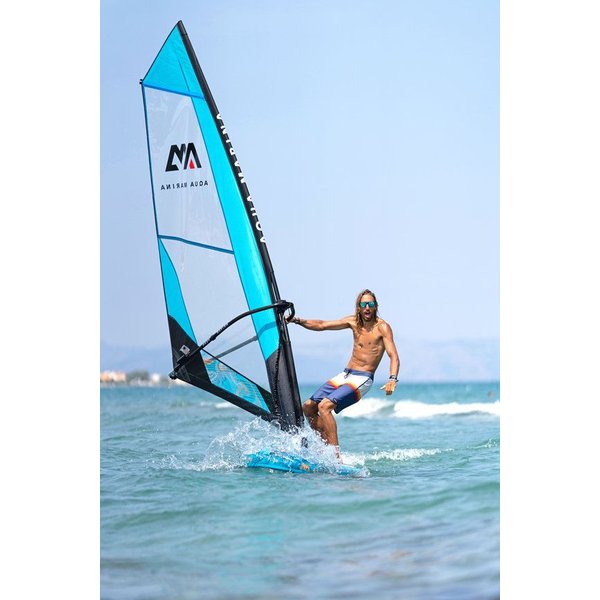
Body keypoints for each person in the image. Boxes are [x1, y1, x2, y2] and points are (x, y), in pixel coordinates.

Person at [287, 289, 400, 459]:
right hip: (346, 375)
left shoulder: (382, 327)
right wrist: (296, 320)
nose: (367, 307)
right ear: (359, 307)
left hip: (363, 378)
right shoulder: (353, 322)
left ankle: (335, 457)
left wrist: (392, 378)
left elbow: (394, 356)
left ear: (376, 306)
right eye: (364, 304)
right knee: (308, 406)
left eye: (371, 304)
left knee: (325, 406)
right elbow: (322, 325)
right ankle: (323, 448)